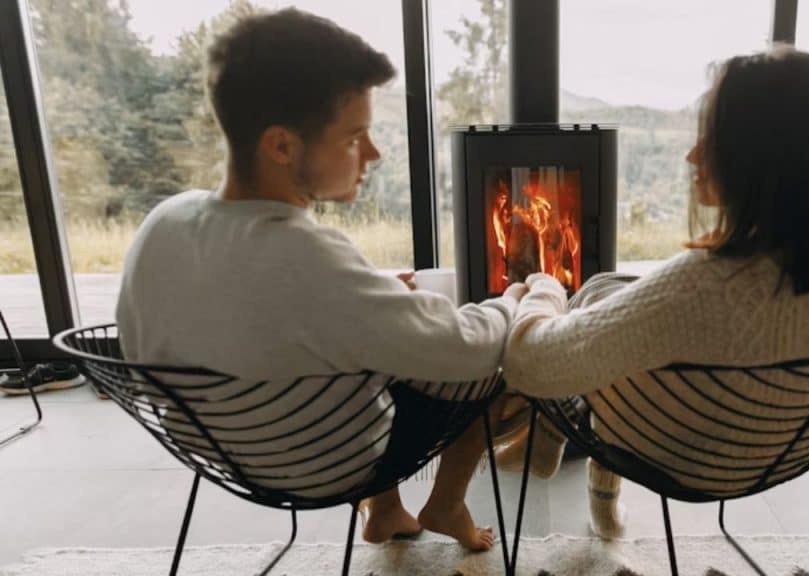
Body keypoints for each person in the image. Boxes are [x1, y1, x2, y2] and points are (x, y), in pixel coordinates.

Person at [116, 9, 525, 552]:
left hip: (217, 452)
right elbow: (469, 348)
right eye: (355, 136)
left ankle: (387, 512)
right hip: (323, 462)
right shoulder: (303, 257)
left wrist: (377, 297)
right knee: (503, 361)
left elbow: (272, 303)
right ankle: (446, 503)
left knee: (373, 335)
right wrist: (512, 303)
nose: (373, 154)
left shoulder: (165, 220)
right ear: (282, 146)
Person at [501, 46, 809, 538]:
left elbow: (530, 363)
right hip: (788, 447)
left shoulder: (706, 286)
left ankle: (549, 441)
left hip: (688, 453)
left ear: (761, 155)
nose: (692, 155)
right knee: (605, 287)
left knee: (592, 302)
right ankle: (556, 452)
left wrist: (543, 289)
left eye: (712, 139)